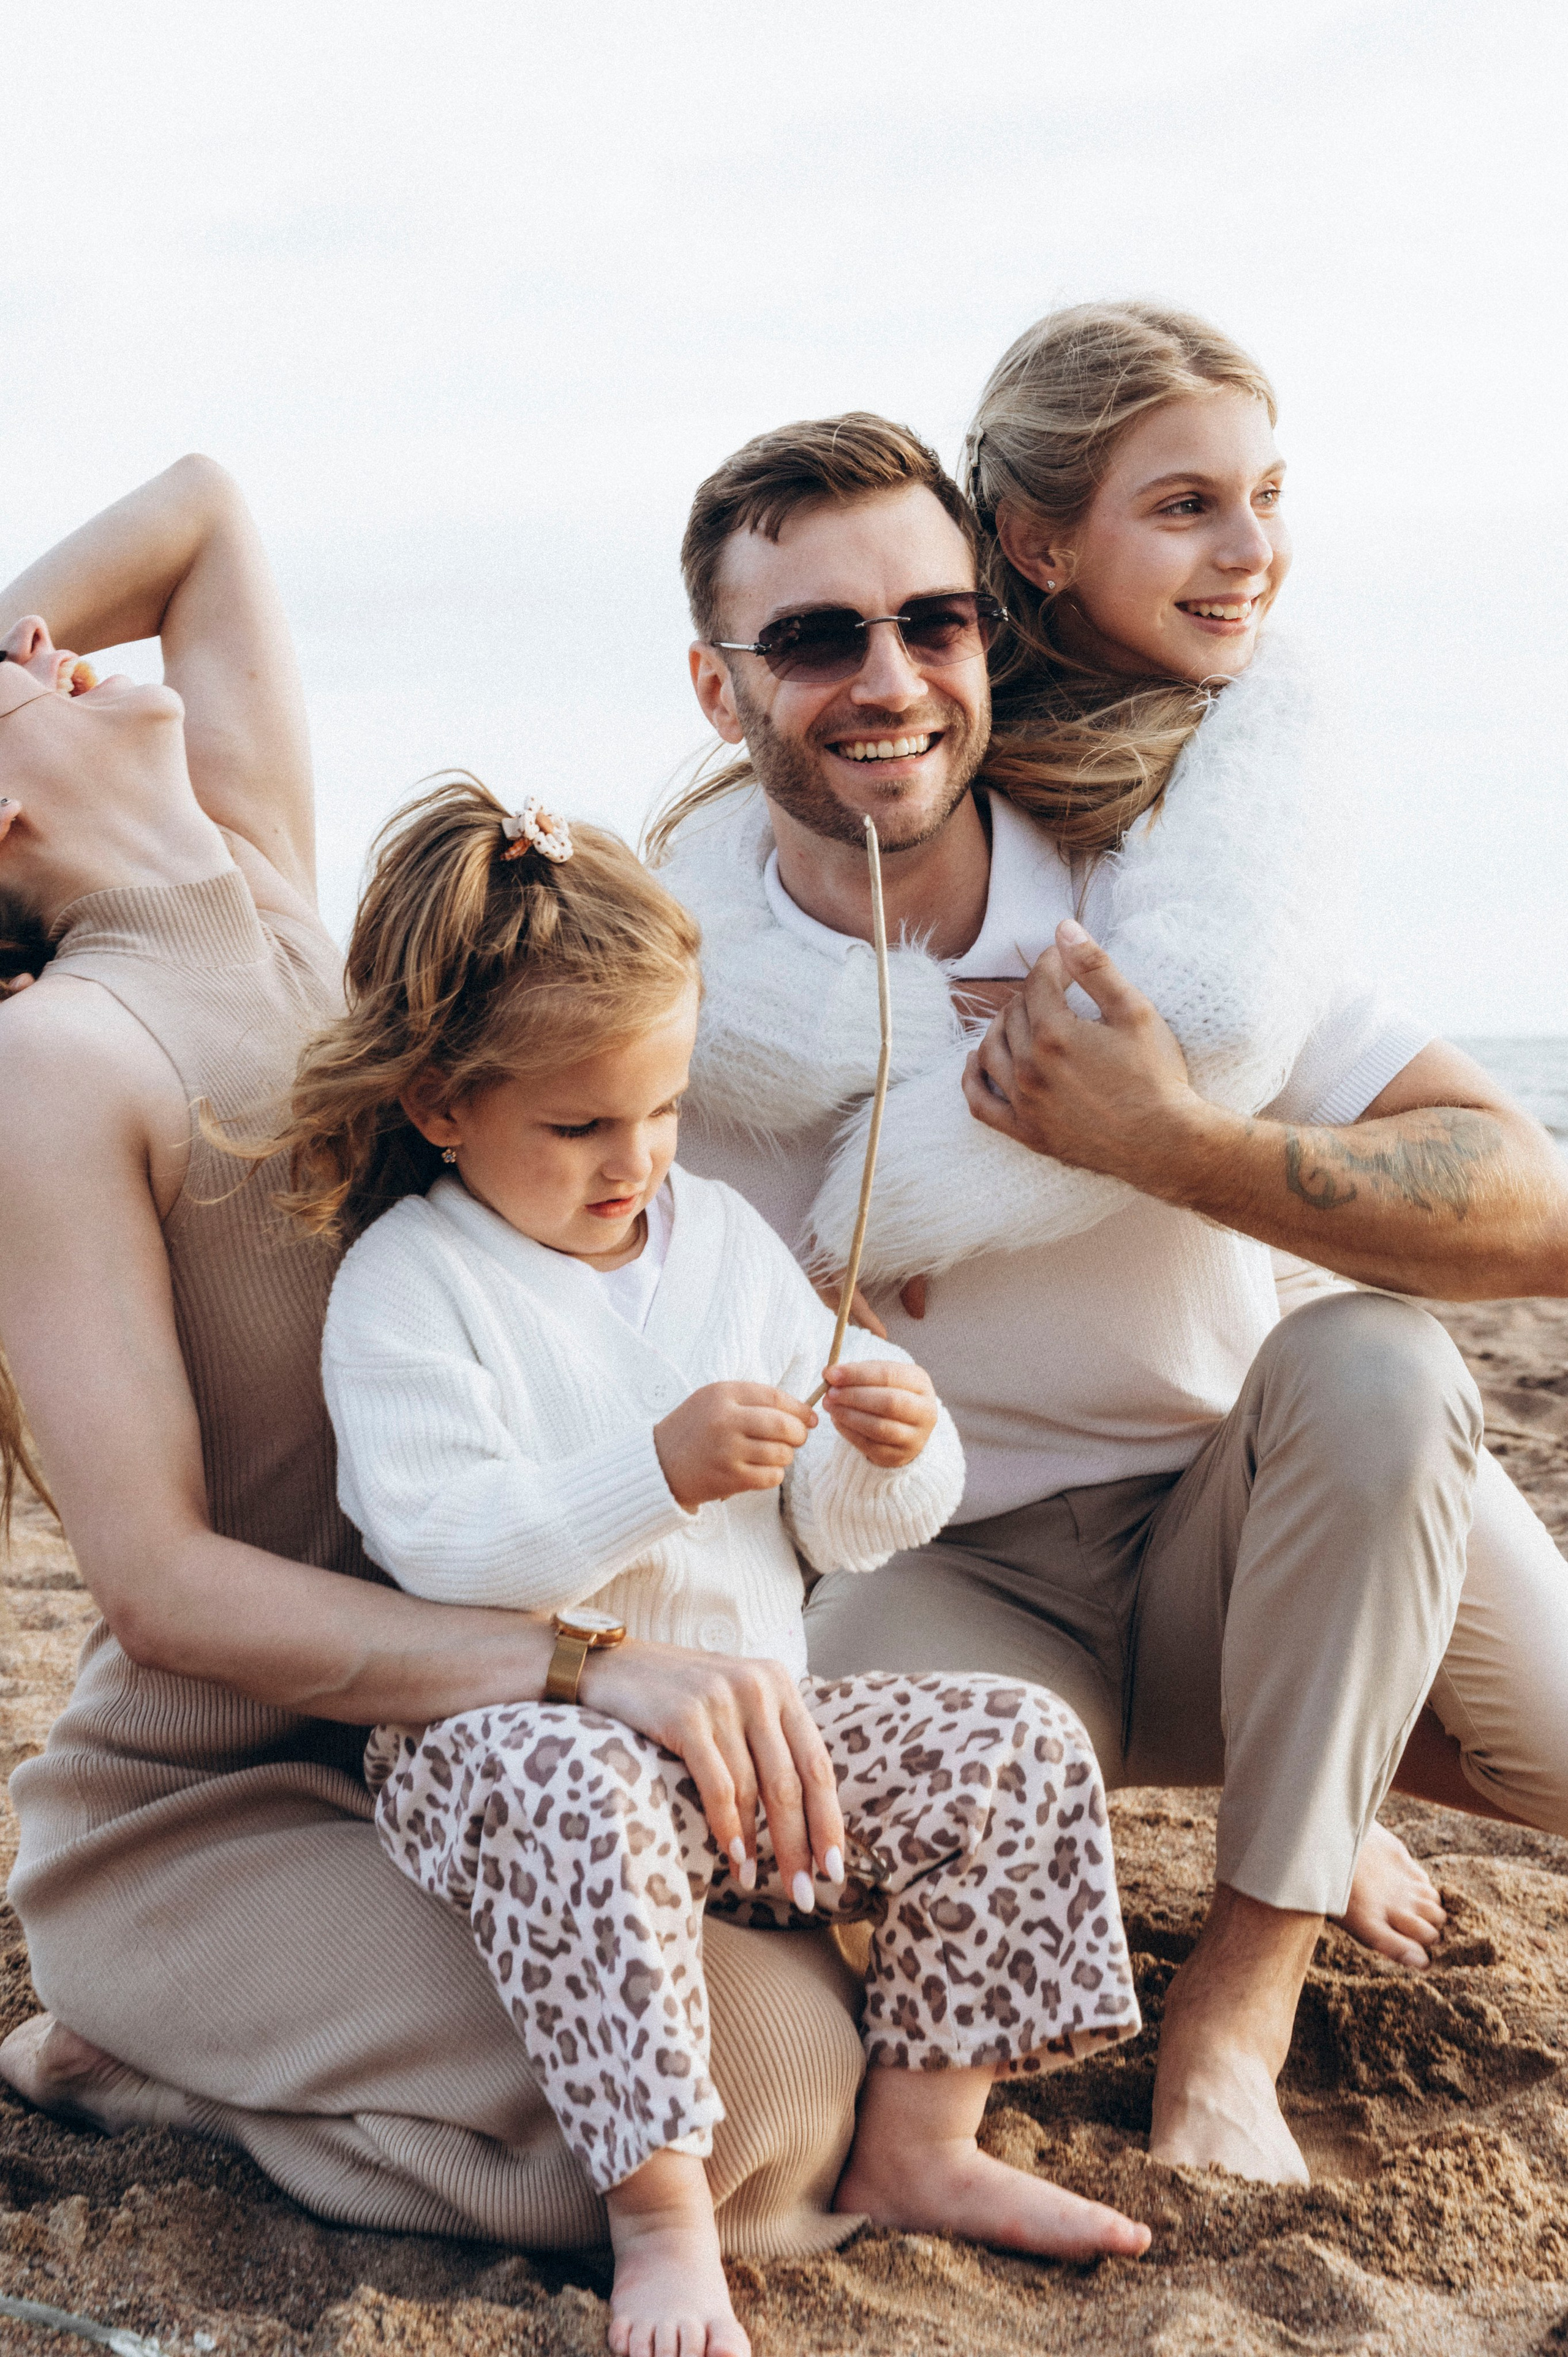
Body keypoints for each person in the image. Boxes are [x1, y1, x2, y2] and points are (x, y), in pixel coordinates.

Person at [650, 311, 1568, 2187]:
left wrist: (1170, 1143)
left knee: (1379, 1364)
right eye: (817, 639)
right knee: (803, 1939)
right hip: (945, 1577)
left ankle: (1244, 1990)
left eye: (929, 623)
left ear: (991, 613)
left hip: (1247, 1537)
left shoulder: (1160, 903)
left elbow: (1533, 1206)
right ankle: (1331, 1770)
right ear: (717, 681)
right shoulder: (672, 981)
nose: (887, 679)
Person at [0, 459, 890, 2261]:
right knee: (749, 2108)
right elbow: (161, 1590)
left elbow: (203, 515)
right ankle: (150, 2059)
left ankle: (263, 2044)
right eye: (26, 682)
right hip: (210, 1809)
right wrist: (582, 1668)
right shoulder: (61, 1063)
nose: (56, 651)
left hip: (437, 1762)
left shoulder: (258, 875)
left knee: (807, 2065)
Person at [271, 774, 1147, 2354]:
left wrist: (893, 1447)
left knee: (1018, 1743)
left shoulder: (725, 1245)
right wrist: (654, 1470)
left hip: (752, 1746)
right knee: (577, 1795)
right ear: (440, 1108)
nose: (637, 1160)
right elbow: (439, 1541)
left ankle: (922, 2147)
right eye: (582, 1126)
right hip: (515, 1752)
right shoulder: (412, 1286)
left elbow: (833, 1530)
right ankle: (661, 2221)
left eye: (665, 1110)